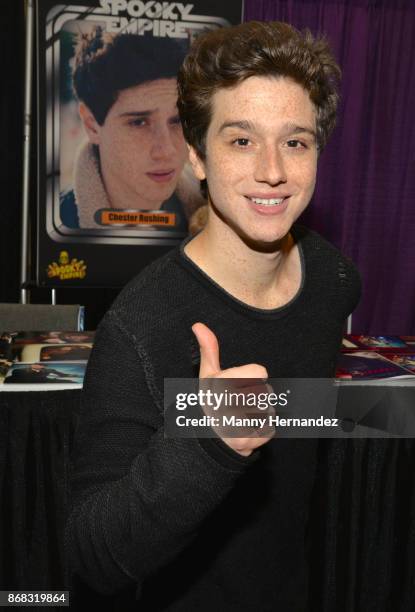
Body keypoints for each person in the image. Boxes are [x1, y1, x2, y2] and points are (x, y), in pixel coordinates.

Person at [66, 21, 361, 610]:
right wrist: (206, 442)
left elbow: (300, 441)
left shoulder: (334, 280)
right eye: (242, 141)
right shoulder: (141, 324)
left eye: (296, 141)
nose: (273, 170)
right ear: (197, 158)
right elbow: (92, 555)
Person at [60, 28, 204, 230]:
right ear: (92, 126)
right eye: (139, 123)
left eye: (178, 120)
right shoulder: (57, 226)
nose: (167, 150)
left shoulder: (214, 216)